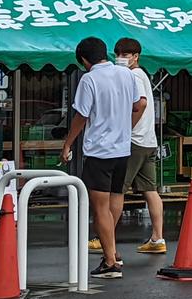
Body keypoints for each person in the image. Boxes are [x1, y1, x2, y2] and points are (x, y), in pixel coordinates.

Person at [60, 37, 144, 280]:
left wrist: (67, 144)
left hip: (99, 151)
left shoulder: (89, 79)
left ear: (85, 60)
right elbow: (138, 105)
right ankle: (113, 251)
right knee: (115, 199)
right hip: (122, 149)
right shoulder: (126, 73)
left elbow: (81, 116)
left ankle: (110, 261)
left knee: (99, 209)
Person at [114, 37, 165, 255]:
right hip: (149, 141)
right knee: (150, 190)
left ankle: (104, 236)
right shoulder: (143, 74)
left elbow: (140, 104)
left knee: (117, 190)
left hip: (134, 141)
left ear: (136, 56)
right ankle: (157, 238)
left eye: (125, 55)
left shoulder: (132, 75)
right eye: (118, 54)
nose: (121, 58)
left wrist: (126, 129)